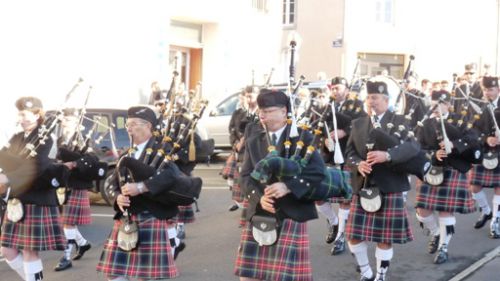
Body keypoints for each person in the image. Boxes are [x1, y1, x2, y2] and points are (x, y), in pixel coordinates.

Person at [234, 89, 326, 281]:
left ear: (284, 112)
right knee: (248, 276)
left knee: (283, 277)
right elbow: (245, 177)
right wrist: (260, 199)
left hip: (290, 212)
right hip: (260, 212)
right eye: (261, 111)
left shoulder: (302, 138)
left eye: (268, 111)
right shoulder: (255, 139)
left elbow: (318, 172)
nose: (262, 115)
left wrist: (289, 186)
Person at [96, 106, 181, 280]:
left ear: (148, 126)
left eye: (134, 124)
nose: (129, 128)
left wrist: (141, 187)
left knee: (145, 276)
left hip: (150, 216)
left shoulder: (162, 151)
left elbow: (171, 176)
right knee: (114, 273)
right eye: (128, 125)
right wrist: (117, 197)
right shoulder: (127, 153)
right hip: (126, 218)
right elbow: (113, 184)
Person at [345, 81, 418, 281]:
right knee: (353, 235)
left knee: (384, 238)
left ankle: (380, 276)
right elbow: (349, 152)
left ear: (386, 100)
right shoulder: (358, 123)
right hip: (364, 186)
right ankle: (366, 272)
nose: (371, 102)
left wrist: (388, 155)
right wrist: (358, 164)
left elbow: (413, 148)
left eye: (375, 98)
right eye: (368, 98)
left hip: (390, 184)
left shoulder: (400, 120)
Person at [1, 97, 67, 281]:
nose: (20, 118)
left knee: (29, 251)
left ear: (37, 115)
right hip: (18, 199)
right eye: (19, 114)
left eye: (24, 114)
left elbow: (37, 167)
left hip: (37, 199)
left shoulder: (47, 137)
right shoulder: (17, 137)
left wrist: (9, 176)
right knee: (7, 250)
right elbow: (4, 158)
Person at [415, 90, 479, 264]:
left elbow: (474, 139)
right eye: (433, 104)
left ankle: (443, 246)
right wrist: (434, 154)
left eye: (439, 104)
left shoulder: (460, 119)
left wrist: (454, 144)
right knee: (422, 212)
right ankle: (435, 233)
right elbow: (418, 148)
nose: (434, 107)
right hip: (433, 169)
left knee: (445, 211)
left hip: (453, 169)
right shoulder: (426, 123)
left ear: (448, 104)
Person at [53, 108, 107, 271]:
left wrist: (75, 162)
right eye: (65, 120)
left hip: (76, 186)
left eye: (70, 120)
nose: (66, 123)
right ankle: (82, 244)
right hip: (63, 185)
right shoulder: (60, 139)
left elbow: (93, 158)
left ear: (77, 122)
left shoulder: (83, 139)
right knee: (66, 222)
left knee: (68, 223)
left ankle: (66, 256)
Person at [317, 76, 366, 256]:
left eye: (338, 87)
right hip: (329, 157)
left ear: (346, 88)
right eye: (333, 88)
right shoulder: (327, 107)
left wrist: (345, 131)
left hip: (347, 157)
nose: (335, 91)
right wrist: (324, 140)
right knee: (318, 196)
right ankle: (333, 221)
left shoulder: (357, 106)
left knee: (346, 200)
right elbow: (320, 129)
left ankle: (340, 237)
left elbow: (362, 126)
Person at [469, 76, 500, 239]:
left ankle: (496, 221)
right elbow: (473, 131)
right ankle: (487, 211)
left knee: (499, 189)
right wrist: (485, 139)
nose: (488, 93)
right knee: (474, 187)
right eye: (485, 90)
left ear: (498, 90)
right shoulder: (479, 107)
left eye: (491, 90)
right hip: (484, 151)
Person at [225, 86, 258, 214]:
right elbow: (232, 129)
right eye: (247, 96)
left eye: (251, 96)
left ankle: (248, 207)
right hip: (239, 149)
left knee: (249, 180)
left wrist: (244, 141)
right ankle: (240, 203)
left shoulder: (259, 112)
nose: (248, 99)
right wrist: (235, 143)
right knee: (235, 178)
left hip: (251, 150)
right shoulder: (239, 112)